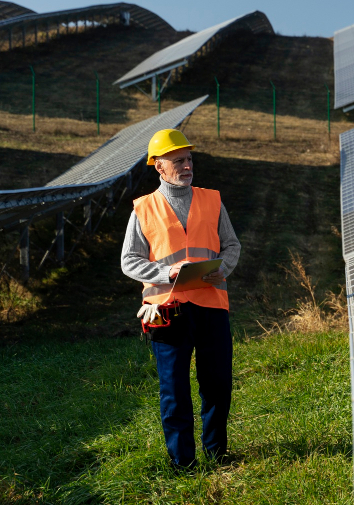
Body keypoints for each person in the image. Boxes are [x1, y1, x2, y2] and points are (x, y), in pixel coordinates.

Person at [120, 128, 241, 469]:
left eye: (189, 159)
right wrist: (168, 273)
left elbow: (232, 245)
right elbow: (130, 261)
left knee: (217, 385)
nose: (187, 166)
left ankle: (217, 454)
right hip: (167, 311)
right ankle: (182, 463)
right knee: (174, 390)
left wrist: (224, 268)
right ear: (158, 166)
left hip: (212, 306)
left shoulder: (212, 200)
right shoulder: (143, 209)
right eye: (178, 161)